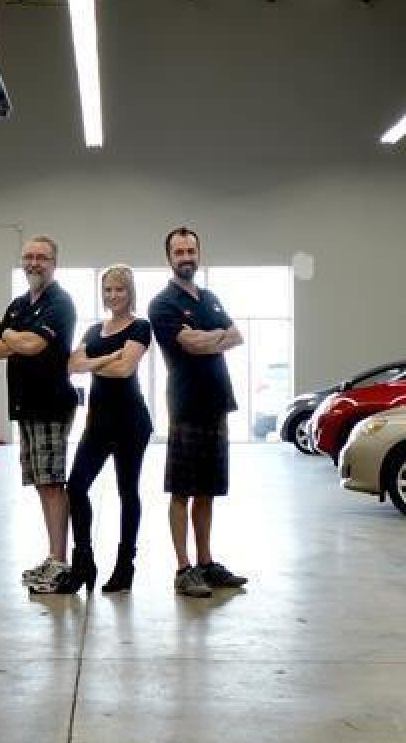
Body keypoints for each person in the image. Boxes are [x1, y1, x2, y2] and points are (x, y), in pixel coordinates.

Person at [33, 265, 152, 595]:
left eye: (119, 289)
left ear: (130, 292)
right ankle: (84, 561)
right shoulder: (94, 330)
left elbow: (125, 369)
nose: (113, 295)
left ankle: (125, 565)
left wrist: (95, 363)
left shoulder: (141, 327)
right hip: (98, 423)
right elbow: (71, 365)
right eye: (108, 290)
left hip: (131, 422)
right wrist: (107, 358)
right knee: (76, 487)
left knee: (127, 491)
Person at [148, 227, 249, 599]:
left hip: (217, 403)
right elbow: (190, 344)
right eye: (179, 252)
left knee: (207, 490)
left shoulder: (210, 298)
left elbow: (236, 335)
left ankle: (206, 563)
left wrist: (209, 338)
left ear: (198, 253)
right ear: (169, 257)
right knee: (181, 490)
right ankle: (183, 568)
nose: (186, 257)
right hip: (186, 406)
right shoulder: (162, 303)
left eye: (191, 250)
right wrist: (214, 337)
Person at [0, 235, 78, 591]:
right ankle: (53, 556)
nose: (34, 263)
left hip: (50, 405)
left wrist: (11, 335)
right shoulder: (19, 305)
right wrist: (16, 338)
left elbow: (34, 345)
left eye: (42, 257)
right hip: (25, 406)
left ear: (54, 263)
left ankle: (60, 562)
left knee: (52, 483)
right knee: (41, 483)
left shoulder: (60, 302)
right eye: (29, 257)